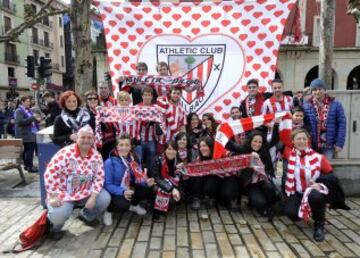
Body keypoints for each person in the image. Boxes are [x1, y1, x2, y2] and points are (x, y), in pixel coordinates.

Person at [45, 125, 111, 240]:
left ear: (93, 139)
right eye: (83, 137)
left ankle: (86, 216)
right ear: (77, 138)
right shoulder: (65, 153)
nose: (86, 140)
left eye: (89, 138)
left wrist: (94, 197)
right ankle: (55, 226)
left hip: (86, 191)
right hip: (64, 193)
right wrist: (54, 195)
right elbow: (50, 173)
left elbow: (99, 178)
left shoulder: (96, 155)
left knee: (104, 198)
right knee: (58, 214)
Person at [283, 128, 349, 242]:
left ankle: (319, 223)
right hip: (298, 192)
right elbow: (280, 137)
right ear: (293, 141)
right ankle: (306, 210)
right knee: (291, 213)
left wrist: (320, 185)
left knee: (315, 197)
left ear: (308, 140)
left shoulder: (319, 157)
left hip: (313, 191)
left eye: (304, 139)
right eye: (298, 139)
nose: (302, 141)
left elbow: (332, 177)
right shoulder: (290, 154)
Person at [226, 128, 280, 221]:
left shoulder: (264, 150)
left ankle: (271, 205)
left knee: (270, 189)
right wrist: (221, 131)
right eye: (255, 141)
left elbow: (275, 139)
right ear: (250, 141)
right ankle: (260, 205)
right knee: (259, 202)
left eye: (260, 142)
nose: (257, 144)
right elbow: (229, 144)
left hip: (263, 180)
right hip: (250, 183)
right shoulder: (243, 150)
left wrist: (276, 124)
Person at [103, 134, 155, 225]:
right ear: (117, 147)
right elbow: (107, 184)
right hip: (116, 189)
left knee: (147, 189)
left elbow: (138, 176)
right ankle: (108, 211)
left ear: (131, 146)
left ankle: (133, 205)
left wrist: (146, 182)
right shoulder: (109, 162)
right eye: (121, 145)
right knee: (123, 205)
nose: (124, 148)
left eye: (127, 145)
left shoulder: (134, 158)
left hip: (129, 186)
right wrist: (122, 191)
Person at [303, 78, 346, 159]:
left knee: (327, 168)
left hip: (329, 145)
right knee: (313, 169)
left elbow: (342, 124)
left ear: (324, 90)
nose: (317, 92)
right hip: (312, 145)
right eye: (314, 90)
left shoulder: (336, 105)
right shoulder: (306, 105)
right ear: (311, 91)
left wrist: (339, 143)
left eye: (320, 89)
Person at [151, 141, 182, 219]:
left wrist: (180, 170)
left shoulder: (178, 161)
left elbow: (178, 179)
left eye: (174, 149)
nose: (171, 152)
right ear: (165, 150)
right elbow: (157, 178)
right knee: (161, 192)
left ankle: (168, 205)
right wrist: (172, 189)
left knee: (173, 200)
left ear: (177, 150)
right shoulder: (157, 159)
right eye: (169, 149)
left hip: (173, 185)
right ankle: (157, 208)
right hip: (159, 184)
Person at [189, 137, 219, 210]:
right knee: (195, 176)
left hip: (211, 181)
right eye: (200, 146)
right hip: (200, 181)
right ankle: (197, 198)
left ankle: (210, 197)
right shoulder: (198, 158)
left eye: (204, 146)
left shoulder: (216, 157)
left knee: (213, 181)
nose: (202, 148)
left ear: (210, 146)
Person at [15, 95, 41, 173]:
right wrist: (33, 117)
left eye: (29, 101)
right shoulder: (19, 110)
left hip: (31, 133)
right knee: (29, 151)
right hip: (25, 134)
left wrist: (37, 120)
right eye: (27, 101)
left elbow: (32, 120)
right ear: (22, 102)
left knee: (29, 151)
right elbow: (20, 122)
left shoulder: (29, 110)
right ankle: (29, 167)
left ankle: (28, 166)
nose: (29, 103)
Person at [156, 86, 186, 153]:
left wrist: (183, 139)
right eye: (174, 93)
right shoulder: (164, 105)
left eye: (178, 93)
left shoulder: (181, 110)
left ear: (180, 95)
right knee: (160, 160)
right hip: (162, 139)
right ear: (170, 94)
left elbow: (182, 126)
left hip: (174, 140)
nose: (176, 95)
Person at [137, 87, 159, 169]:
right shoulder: (137, 107)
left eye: (149, 95)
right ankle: (140, 180)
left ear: (152, 96)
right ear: (142, 96)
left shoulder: (155, 108)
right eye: (145, 95)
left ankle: (151, 178)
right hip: (140, 139)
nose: (147, 97)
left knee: (151, 162)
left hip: (151, 140)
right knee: (139, 161)